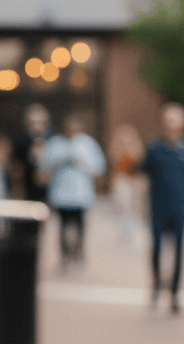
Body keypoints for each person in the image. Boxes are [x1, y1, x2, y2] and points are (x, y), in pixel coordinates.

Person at [142, 103, 184, 314]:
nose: (171, 123)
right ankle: (157, 286)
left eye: (175, 119)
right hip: (157, 207)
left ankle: (175, 294)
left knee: (179, 251)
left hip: (181, 208)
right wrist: (140, 205)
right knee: (157, 248)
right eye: (168, 119)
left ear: (183, 123)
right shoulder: (153, 148)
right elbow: (143, 178)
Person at [38, 116, 107, 267]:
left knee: (80, 227)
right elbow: (43, 165)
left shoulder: (87, 144)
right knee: (62, 227)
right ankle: (64, 255)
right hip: (61, 194)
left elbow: (98, 167)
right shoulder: (56, 144)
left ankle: (79, 252)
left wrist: (81, 160)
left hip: (81, 195)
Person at [12, 104, 55, 202]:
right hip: (28, 190)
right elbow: (17, 166)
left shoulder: (54, 140)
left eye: (40, 123)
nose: (36, 127)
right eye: (32, 123)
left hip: (50, 191)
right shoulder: (21, 140)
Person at [109, 124, 145, 237]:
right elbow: (114, 163)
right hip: (121, 179)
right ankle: (123, 229)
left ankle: (134, 228)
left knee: (135, 205)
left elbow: (138, 163)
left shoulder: (137, 148)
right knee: (122, 204)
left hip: (134, 180)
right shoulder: (116, 149)